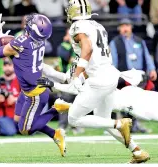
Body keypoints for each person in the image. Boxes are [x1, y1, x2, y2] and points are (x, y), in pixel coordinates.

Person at [60, 0, 149, 163]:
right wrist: (82, 74)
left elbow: (87, 49)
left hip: (99, 80)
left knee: (73, 119)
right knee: (103, 121)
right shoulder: (97, 25)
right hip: (110, 75)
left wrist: (76, 75)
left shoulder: (77, 26)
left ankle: (119, 123)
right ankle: (137, 151)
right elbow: (93, 56)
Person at [0, 13, 66, 156]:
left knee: (25, 129)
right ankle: (55, 134)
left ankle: (56, 110)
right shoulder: (40, 40)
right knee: (17, 119)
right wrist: (7, 40)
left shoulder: (20, 43)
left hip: (35, 93)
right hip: (27, 89)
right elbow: (20, 50)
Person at [110, 18, 157, 133]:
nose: (125, 28)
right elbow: (113, 61)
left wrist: (152, 69)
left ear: (131, 27)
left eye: (127, 25)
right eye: (122, 26)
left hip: (139, 76)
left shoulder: (139, 41)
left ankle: (134, 124)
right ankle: (125, 125)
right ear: (119, 29)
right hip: (124, 76)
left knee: (137, 102)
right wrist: (113, 75)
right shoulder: (115, 42)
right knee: (125, 102)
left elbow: (147, 56)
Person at [0, 58, 20, 136]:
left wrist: (15, 99)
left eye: (9, 65)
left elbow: (29, 97)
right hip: (4, 114)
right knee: (10, 132)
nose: (7, 67)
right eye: (5, 65)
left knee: (29, 131)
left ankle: (16, 127)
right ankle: (0, 128)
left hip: (19, 114)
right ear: (2, 67)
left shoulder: (21, 81)